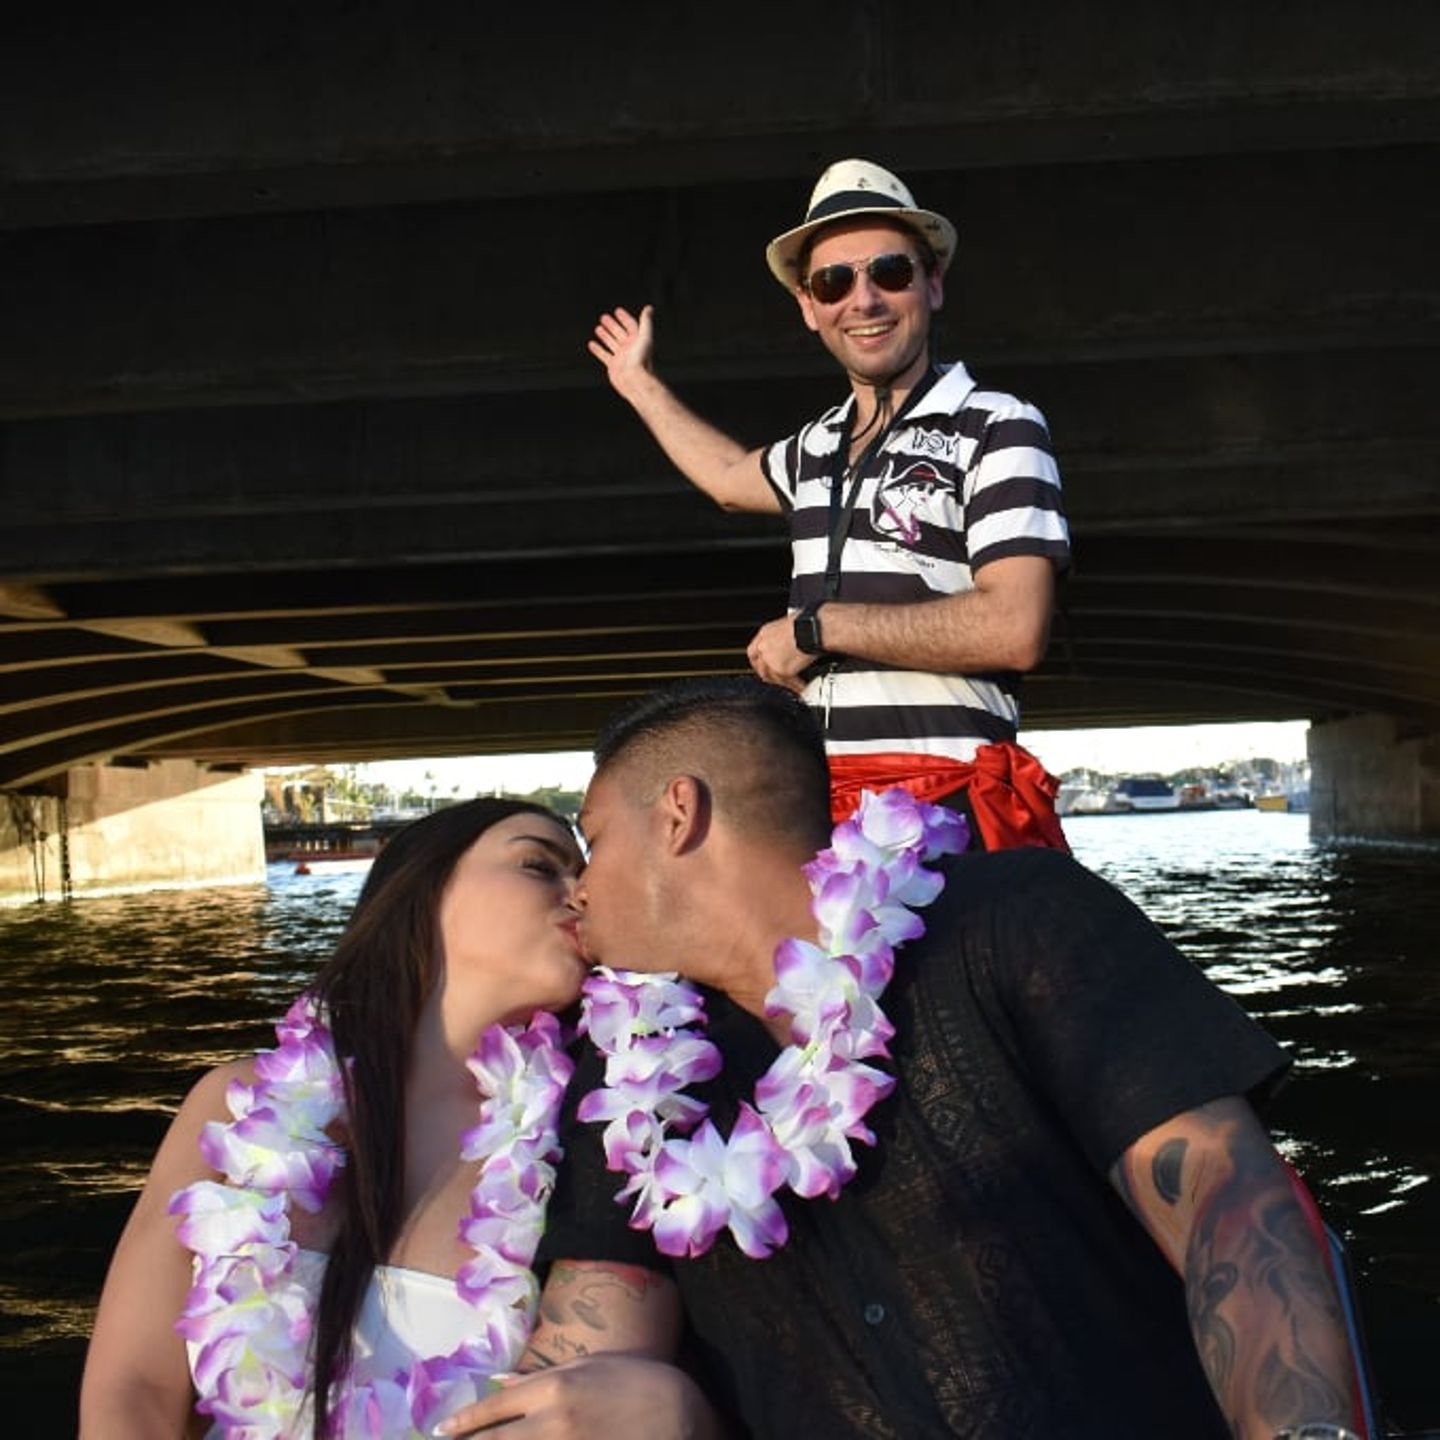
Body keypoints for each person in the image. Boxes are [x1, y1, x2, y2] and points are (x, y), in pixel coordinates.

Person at [444, 679, 1367, 1440]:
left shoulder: (1013, 919)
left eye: (593, 840)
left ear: (677, 815)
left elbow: (1222, 1198)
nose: (584, 888)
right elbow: (589, 1359)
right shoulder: (630, 1077)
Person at [79, 799, 714, 1440]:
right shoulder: (235, 1108)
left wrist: (692, 1413)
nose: (578, 892)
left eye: (579, 871)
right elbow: (133, 1392)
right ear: (421, 890)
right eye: (537, 864)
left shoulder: (599, 1139)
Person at [588, 159, 1071, 847]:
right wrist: (638, 385)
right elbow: (728, 475)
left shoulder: (995, 424)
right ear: (809, 307)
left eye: (891, 273)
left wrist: (816, 629)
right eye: (834, 281)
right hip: (828, 820)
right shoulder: (816, 446)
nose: (864, 299)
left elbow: (1015, 627)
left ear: (933, 285)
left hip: (951, 813)